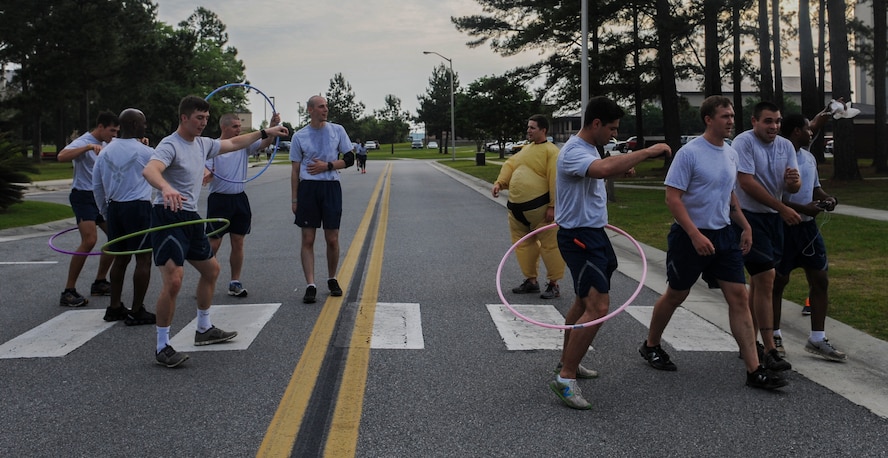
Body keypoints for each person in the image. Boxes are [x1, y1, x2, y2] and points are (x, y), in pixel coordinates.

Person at [638, 96, 787, 390]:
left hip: (723, 236)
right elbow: (673, 198)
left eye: (732, 116)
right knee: (676, 295)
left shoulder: (730, 153)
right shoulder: (690, 153)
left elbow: (729, 195)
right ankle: (651, 344)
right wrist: (694, 234)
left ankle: (754, 370)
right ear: (708, 119)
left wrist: (744, 226)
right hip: (689, 236)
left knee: (739, 297)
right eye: (724, 116)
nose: (731, 121)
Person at [142, 96, 288, 367]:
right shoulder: (169, 144)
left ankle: (204, 328)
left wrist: (266, 132)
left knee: (211, 270)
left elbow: (234, 143)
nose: (203, 123)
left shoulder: (203, 145)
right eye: (199, 118)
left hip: (190, 217)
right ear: (184, 118)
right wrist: (165, 187)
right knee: (174, 280)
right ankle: (162, 345)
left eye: (206, 119)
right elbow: (150, 170)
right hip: (167, 215)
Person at [550, 96, 671, 409]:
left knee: (583, 301)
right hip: (579, 237)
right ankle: (565, 377)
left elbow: (597, 175)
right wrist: (647, 152)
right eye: (612, 129)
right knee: (598, 306)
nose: (614, 135)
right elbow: (600, 170)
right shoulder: (575, 151)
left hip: (594, 234)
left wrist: (618, 170)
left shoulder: (590, 149)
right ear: (595, 124)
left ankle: (569, 362)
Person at [771, 110, 847, 361]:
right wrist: (804, 209)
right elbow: (773, 198)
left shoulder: (808, 158)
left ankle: (817, 338)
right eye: (807, 129)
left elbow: (814, 188)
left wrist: (826, 199)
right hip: (782, 227)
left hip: (807, 231)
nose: (811, 132)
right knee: (777, 283)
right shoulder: (778, 157)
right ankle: (774, 336)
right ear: (796, 132)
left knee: (820, 280)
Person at [733, 100, 801, 373]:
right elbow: (746, 183)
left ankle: (750, 343)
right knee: (766, 278)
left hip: (773, 219)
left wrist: (793, 183)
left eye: (777, 121)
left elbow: (793, 187)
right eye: (768, 121)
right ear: (754, 122)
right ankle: (771, 348)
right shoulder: (744, 143)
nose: (774, 126)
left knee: (760, 282)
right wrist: (782, 206)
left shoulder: (785, 146)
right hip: (748, 217)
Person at [202, 112, 280, 298]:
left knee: (238, 242)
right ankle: (206, 280)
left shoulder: (244, 144)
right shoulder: (214, 146)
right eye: (235, 126)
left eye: (240, 126)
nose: (239, 130)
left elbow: (265, 142)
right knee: (213, 243)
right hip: (219, 200)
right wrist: (207, 174)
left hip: (239, 198)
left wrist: (271, 125)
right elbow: (206, 169)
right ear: (224, 127)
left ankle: (234, 282)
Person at [92, 108, 157, 325]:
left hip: (115, 208)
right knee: (144, 258)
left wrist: (105, 211)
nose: (145, 126)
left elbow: (97, 185)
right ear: (134, 125)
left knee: (120, 258)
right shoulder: (146, 152)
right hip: (138, 208)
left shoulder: (106, 151)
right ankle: (137, 310)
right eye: (143, 123)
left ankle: (114, 306)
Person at [290, 95, 356, 304]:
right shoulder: (300, 136)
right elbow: (295, 170)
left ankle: (332, 278)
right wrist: (294, 199)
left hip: (330, 186)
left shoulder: (337, 130)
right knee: (308, 239)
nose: (325, 110)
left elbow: (350, 159)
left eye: (326, 106)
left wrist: (327, 166)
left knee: (332, 238)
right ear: (310, 110)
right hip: (308, 189)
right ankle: (310, 284)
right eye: (321, 107)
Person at [491, 114, 565, 300]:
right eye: (528, 127)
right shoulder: (525, 150)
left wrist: (553, 206)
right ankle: (531, 281)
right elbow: (510, 165)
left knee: (550, 246)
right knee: (523, 245)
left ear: (543, 130)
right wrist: (500, 182)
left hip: (541, 210)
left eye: (532, 127)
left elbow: (555, 178)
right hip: (517, 211)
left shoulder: (552, 151)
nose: (528, 130)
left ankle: (554, 284)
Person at [56, 111, 119, 307]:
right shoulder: (85, 140)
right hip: (83, 196)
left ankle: (100, 282)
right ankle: (68, 291)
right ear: (100, 127)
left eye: (117, 131)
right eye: (112, 130)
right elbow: (61, 156)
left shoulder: (112, 143)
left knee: (117, 240)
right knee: (89, 240)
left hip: (102, 197)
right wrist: (87, 147)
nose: (114, 134)